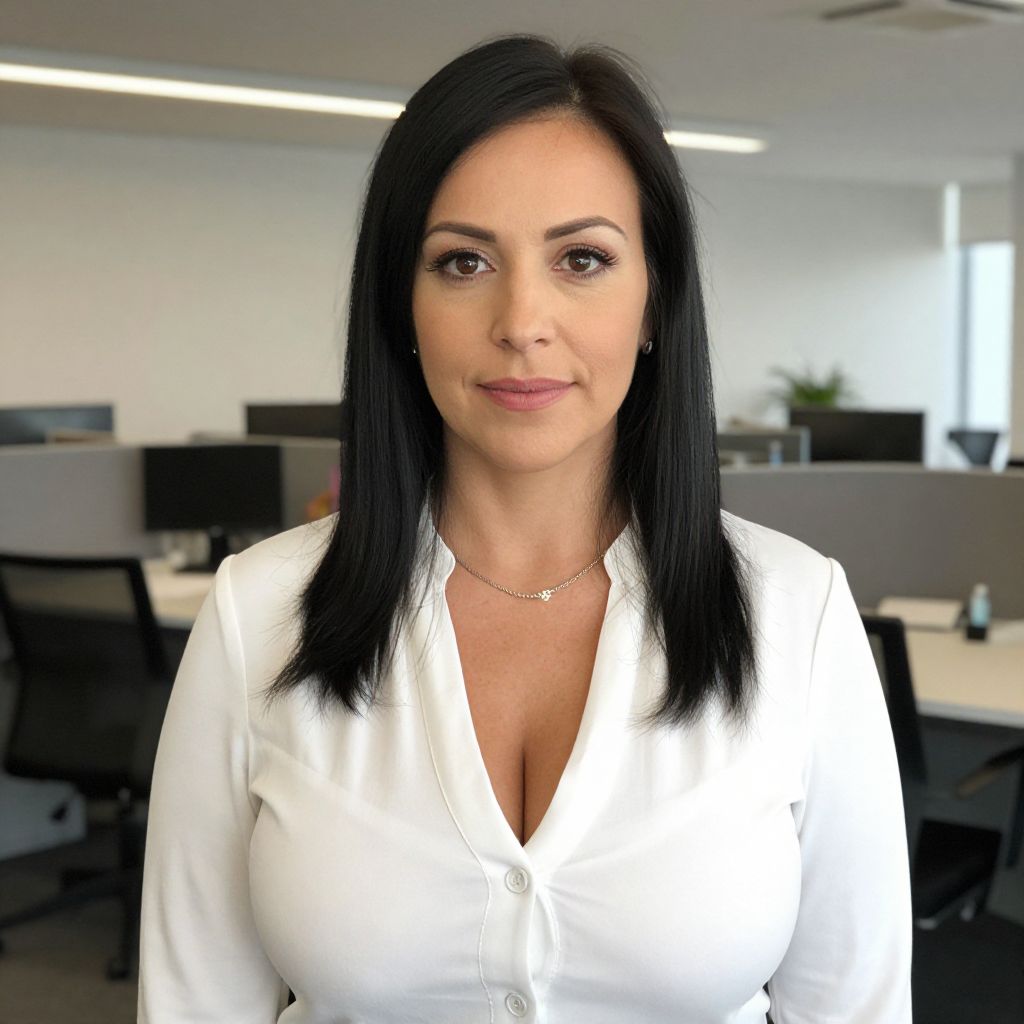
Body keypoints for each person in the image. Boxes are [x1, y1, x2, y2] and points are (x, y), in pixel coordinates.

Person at [138, 33, 912, 1023]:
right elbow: (192, 1005)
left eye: (582, 258)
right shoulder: (259, 615)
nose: (521, 320)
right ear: (401, 305)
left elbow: (855, 1007)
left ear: (654, 302)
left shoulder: (796, 615)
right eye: (462, 261)